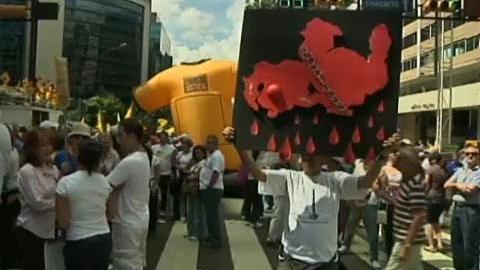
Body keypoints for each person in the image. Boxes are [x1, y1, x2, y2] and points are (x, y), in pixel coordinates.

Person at [223, 127, 384, 269]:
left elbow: (366, 182)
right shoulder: (290, 177)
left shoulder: (336, 180)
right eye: (304, 155)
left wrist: (381, 159)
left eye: (312, 155)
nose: (306, 158)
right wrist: (239, 146)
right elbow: (258, 174)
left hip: (325, 263)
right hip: (292, 261)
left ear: (323, 160)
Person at [56, 140, 114, 270]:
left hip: (78, 241)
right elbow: (111, 214)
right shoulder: (105, 183)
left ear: (78, 156)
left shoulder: (65, 183)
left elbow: (63, 223)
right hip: (103, 238)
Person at [107, 119, 151, 270]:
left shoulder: (130, 161)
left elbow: (107, 185)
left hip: (127, 221)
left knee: (124, 263)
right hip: (139, 217)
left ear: (132, 136)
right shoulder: (143, 156)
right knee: (136, 262)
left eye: (121, 136)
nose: (118, 141)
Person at [376, 148, 427, 270]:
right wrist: (384, 195)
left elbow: (419, 216)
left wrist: (407, 244)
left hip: (406, 240)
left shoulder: (415, 185)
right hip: (404, 238)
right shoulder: (407, 182)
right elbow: (404, 204)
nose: (396, 165)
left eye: (399, 161)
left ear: (409, 164)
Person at [16, 130, 59, 270]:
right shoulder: (27, 171)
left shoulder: (52, 169)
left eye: (50, 145)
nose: (48, 149)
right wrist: (58, 204)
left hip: (50, 231)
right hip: (32, 232)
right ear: (32, 149)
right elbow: (37, 203)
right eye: (43, 145)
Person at [444, 144, 480, 270]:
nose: (470, 156)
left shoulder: (479, 172)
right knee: (456, 243)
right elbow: (446, 184)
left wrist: (456, 185)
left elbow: (471, 189)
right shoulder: (460, 171)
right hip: (457, 208)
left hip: (471, 210)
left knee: (469, 245)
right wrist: (459, 185)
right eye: (467, 153)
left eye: (474, 154)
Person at [199, 135, 225, 248]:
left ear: (215, 144)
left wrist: (210, 186)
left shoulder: (217, 156)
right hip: (208, 188)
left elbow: (216, 172)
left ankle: (215, 239)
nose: (206, 145)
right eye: (206, 142)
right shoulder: (212, 155)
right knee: (209, 215)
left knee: (212, 215)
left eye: (209, 143)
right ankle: (211, 236)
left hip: (213, 189)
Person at [424, 152, 448, 252]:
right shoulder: (444, 171)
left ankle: (431, 245)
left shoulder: (430, 169)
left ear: (433, 160)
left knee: (428, 222)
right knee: (435, 221)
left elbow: (426, 183)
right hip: (442, 198)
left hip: (431, 197)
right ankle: (440, 243)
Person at [151, 131, 176, 221]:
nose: (162, 139)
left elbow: (173, 161)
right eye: (160, 137)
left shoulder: (171, 149)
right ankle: (155, 210)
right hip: (155, 173)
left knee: (165, 192)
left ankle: (163, 211)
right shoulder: (154, 148)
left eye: (164, 137)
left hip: (166, 173)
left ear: (167, 138)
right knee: (155, 191)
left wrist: (173, 172)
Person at [184, 145, 207, 240]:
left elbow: (197, 175)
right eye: (196, 153)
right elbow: (186, 169)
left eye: (199, 153)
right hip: (191, 188)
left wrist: (190, 175)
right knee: (190, 211)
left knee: (198, 211)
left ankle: (198, 233)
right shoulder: (195, 163)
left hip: (198, 188)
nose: (198, 155)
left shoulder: (204, 163)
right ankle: (191, 231)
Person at [173, 136, 193, 221]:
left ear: (188, 145)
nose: (182, 146)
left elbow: (191, 164)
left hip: (188, 175)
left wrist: (184, 168)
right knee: (180, 195)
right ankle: (182, 214)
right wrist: (179, 167)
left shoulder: (191, 154)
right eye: (182, 144)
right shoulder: (180, 154)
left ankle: (189, 214)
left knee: (187, 195)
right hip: (180, 175)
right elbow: (174, 163)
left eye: (184, 144)